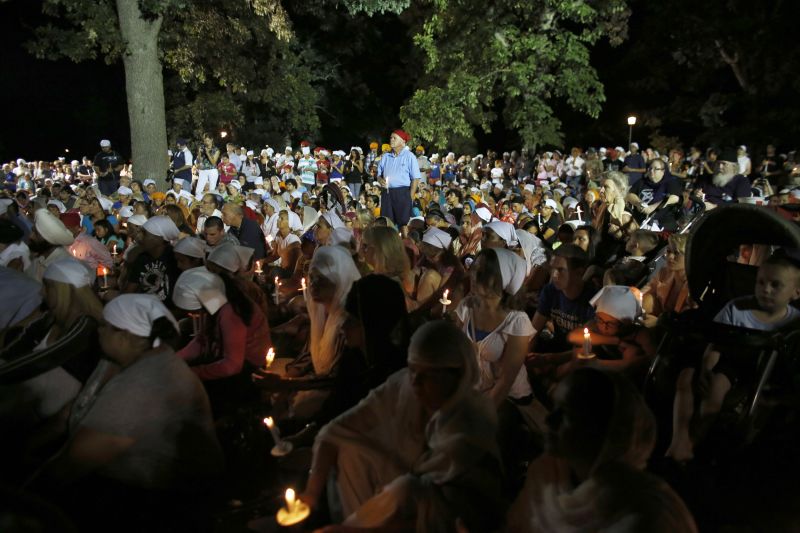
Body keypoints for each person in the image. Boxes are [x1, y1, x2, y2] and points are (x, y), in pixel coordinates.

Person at [30, 294, 223, 526]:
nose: (98, 332)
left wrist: (24, 492)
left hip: (156, 502)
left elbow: (74, 462)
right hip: (127, 483)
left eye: (104, 326)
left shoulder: (144, 383)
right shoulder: (119, 360)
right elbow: (75, 408)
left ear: (126, 335)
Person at [302, 321, 505, 532]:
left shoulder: (470, 426)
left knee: (406, 489)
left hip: (447, 522)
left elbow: (442, 513)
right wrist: (309, 496)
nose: (416, 381)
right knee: (351, 452)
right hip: (402, 492)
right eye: (413, 370)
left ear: (457, 375)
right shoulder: (405, 387)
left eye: (429, 374)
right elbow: (334, 432)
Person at [507, 367, 697, 532]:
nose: (549, 420)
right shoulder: (546, 475)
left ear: (602, 429)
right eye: (554, 407)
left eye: (566, 413)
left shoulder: (644, 516)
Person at [666, 250, 800, 462]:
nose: (765, 289)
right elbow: (715, 341)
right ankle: (687, 442)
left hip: (767, 371)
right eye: (760, 282)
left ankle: (692, 442)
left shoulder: (794, 323)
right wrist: (706, 368)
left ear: (796, 293)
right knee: (714, 388)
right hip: (731, 360)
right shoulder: (737, 309)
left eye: (775, 285)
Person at [0, 259, 103, 428]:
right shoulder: (48, 319)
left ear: (62, 291)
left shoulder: (88, 332)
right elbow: (13, 349)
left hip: (41, 420)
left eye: (47, 286)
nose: (41, 292)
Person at [174, 267, 270, 382]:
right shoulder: (218, 302)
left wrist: (192, 373)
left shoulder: (231, 313)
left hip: (250, 371)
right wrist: (175, 359)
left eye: (194, 310)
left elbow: (232, 365)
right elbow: (202, 341)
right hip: (230, 360)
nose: (191, 314)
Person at [532, 244, 596, 353]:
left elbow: (585, 347)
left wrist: (549, 360)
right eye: (552, 269)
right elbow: (533, 332)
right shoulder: (550, 291)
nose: (554, 275)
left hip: (579, 355)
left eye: (560, 270)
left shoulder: (594, 299)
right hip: (557, 347)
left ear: (579, 272)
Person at [123, 216, 180, 303]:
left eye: (144, 233)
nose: (139, 236)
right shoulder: (142, 258)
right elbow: (129, 290)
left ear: (159, 238)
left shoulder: (175, 259)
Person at [642, 234, 695, 324]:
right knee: (646, 299)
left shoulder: (694, 287)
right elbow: (648, 289)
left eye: (676, 253)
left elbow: (686, 321)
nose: (670, 257)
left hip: (672, 328)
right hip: (658, 314)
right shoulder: (665, 271)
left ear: (690, 256)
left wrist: (658, 323)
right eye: (669, 251)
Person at [378, 129, 421, 228]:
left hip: (403, 193)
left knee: (403, 224)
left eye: (394, 138)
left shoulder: (410, 156)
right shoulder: (386, 156)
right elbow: (378, 175)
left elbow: (415, 178)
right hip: (387, 193)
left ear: (403, 141)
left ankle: (405, 243)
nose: (391, 140)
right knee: (386, 223)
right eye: (391, 138)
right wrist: (380, 180)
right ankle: (389, 242)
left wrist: (410, 197)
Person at [26, 209, 75, 282]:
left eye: (36, 234)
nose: (30, 236)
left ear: (48, 240)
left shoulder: (64, 267)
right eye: (32, 231)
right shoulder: (38, 259)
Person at [195, 135, 221, 200]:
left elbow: (213, 163)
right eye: (205, 140)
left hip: (212, 170)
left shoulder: (216, 150)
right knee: (198, 190)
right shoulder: (201, 147)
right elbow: (199, 160)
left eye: (208, 140)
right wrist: (199, 154)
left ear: (211, 140)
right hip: (203, 170)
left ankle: (211, 204)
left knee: (211, 190)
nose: (206, 142)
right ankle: (198, 203)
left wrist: (207, 153)